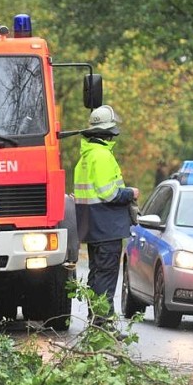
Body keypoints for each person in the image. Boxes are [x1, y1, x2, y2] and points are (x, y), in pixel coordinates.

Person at [73, 105, 139, 328]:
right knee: (106, 275)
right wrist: (131, 193)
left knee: (97, 274)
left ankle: (96, 319)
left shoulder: (86, 156)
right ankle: (104, 322)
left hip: (93, 227)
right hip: (106, 226)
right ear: (109, 131)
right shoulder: (101, 156)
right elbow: (108, 193)